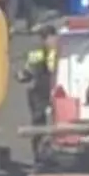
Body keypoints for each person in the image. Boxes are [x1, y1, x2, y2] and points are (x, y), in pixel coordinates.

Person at [17, 24, 57, 157]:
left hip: (57, 90)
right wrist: (22, 75)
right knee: (38, 122)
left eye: (50, 38)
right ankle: (39, 153)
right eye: (45, 39)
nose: (48, 42)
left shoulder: (63, 50)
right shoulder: (38, 52)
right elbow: (29, 70)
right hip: (40, 92)